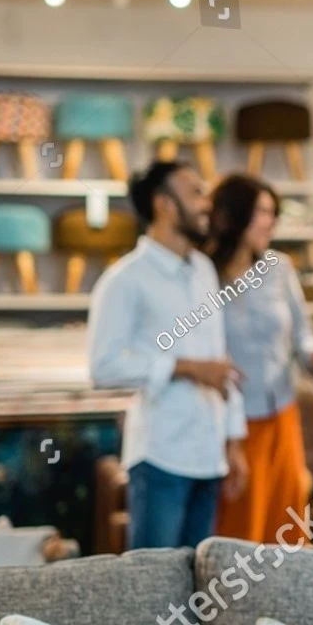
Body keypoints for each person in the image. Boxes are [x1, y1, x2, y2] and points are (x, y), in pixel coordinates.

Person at [88, 160, 248, 550]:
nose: (206, 204)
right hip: (161, 456)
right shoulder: (125, 280)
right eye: (195, 193)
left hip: (209, 455)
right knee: (154, 578)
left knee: (200, 575)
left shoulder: (204, 270)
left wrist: (234, 441)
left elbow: (218, 361)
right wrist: (185, 368)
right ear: (164, 204)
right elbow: (103, 367)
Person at [205, 173, 313, 545]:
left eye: (273, 213)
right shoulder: (202, 275)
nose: (271, 222)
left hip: (282, 414)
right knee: (239, 532)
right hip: (231, 423)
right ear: (233, 216)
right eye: (262, 212)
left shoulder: (279, 268)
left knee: (287, 529)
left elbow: (303, 336)